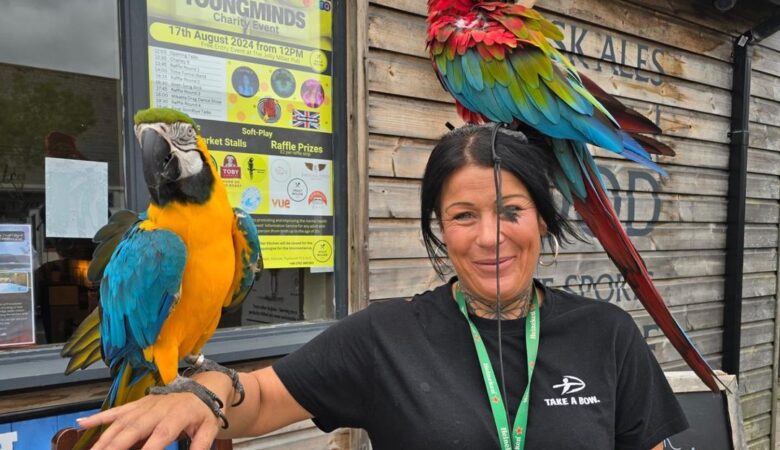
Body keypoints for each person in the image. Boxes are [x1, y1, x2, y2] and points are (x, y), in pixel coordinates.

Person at [78, 124, 688, 449]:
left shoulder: (606, 335)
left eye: (511, 211)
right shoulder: (386, 335)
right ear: (440, 231)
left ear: (542, 219)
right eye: (463, 216)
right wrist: (200, 393)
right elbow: (260, 397)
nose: (490, 237)